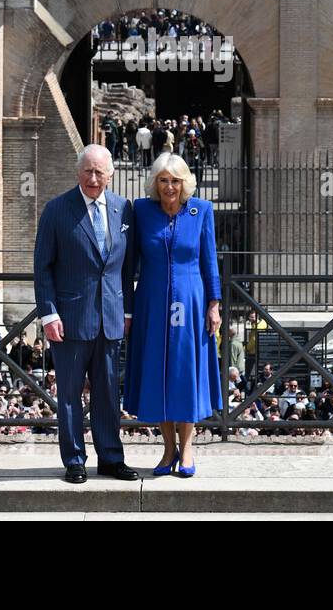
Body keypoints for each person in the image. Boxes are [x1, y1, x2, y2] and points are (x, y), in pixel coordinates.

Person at [32, 144, 139, 485]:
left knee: (109, 394)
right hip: (70, 320)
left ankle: (110, 458)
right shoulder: (56, 209)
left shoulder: (125, 210)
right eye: (88, 171)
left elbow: (126, 268)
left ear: (111, 174)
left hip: (110, 320)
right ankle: (75, 460)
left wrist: (127, 310)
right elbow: (42, 267)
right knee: (69, 395)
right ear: (77, 172)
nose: (94, 178)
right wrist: (48, 314)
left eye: (100, 172)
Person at [123, 154, 222, 477]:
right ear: (155, 183)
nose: (169, 186)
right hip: (152, 299)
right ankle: (168, 449)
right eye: (164, 180)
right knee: (158, 370)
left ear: (185, 182)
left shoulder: (201, 211)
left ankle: (188, 448)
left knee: (184, 371)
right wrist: (126, 306)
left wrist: (214, 303)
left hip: (191, 300)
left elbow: (210, 261)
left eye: (175, 180)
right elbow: (129, 262)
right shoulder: (142, 210)